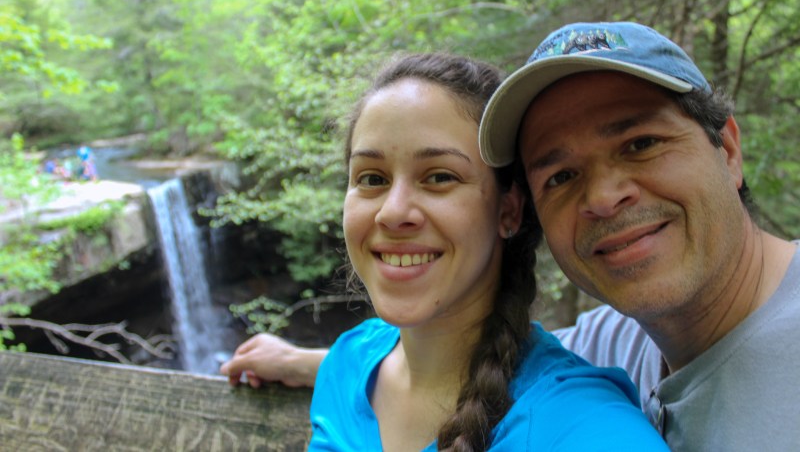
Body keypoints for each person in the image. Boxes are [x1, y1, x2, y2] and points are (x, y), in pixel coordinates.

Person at [223, 23, 799, 449]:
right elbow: (465, 356)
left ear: (727, 150)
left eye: (640, 143)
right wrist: (308, 361)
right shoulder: (620, 338)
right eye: (562, 174)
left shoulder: (583, 415)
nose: (602, 197)